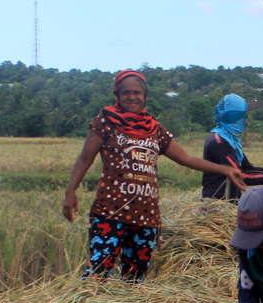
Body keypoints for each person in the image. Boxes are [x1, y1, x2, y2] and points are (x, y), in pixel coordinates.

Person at [62, 70, 246, 281]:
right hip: (111, 213)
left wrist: (225, 169)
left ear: (145, 95)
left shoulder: (154, 129)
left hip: (145, 216)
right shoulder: (105, 122)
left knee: (135, 279)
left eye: (137, 92)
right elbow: (85, 159)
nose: (132, 97)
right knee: (98, 272)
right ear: (117, 95)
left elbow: (185, 158)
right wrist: (70, 192)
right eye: (126, 93)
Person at [201, 94, 263, 201]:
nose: (247, 123)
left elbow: (248, 168)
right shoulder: (218, 142)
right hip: (216, 203)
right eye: (244, 118)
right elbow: (240, 175)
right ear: (234, 118)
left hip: (232, 201)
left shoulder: (231, 140)